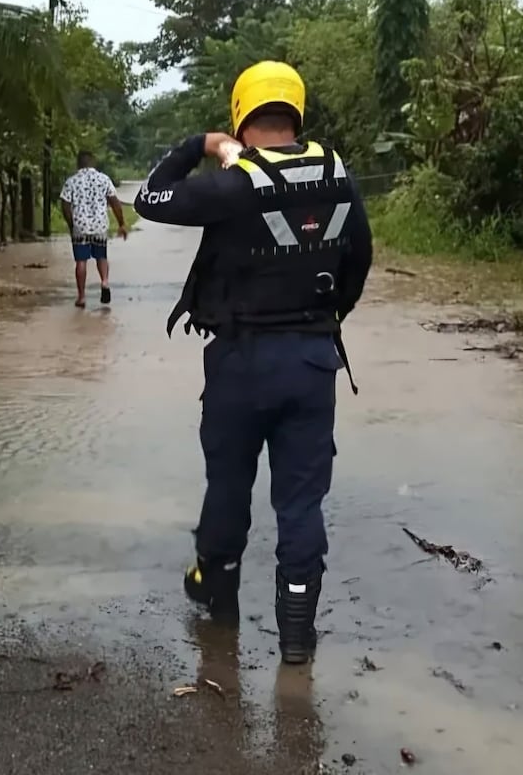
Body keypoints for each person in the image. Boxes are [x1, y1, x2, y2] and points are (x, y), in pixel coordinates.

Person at [132, 61, 373, 665]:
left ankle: (220, 605)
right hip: (313, 361)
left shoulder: (233, 182)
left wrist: (201, 144)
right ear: (297, 110)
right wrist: (318, 324)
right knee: (301, 504)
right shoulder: (338, 175)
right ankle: (296, 638)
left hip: (239, 365)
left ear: (242, 112)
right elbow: (357, 265)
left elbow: (150, 198)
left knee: (228, 486)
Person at [60, 151, 128, 308]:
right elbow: (115, 202)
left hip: (80, 226)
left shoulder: (71, 181)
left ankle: (82, 297)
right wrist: (121, 224)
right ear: (93, 163)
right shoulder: (103, 179)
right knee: (101, 256)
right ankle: (104, 282)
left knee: (81, 261)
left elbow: (65, 205)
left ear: (78, 164)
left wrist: (71, 225)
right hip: (100, 225)